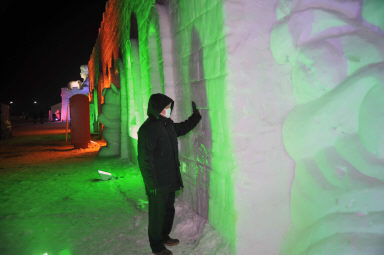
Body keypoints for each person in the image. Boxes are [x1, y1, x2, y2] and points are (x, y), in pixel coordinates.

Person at [137, 93, 201, 255]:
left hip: (170, 178)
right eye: (165, 108)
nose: (168, 110)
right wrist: (151, 184)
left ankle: (164, 236)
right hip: (157, 182)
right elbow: (144, 161)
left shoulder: (168, 125)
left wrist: (196, 116)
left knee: (168, 210)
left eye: (169, 107)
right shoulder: (147, 130)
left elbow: (182, 128)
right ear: (156, 108)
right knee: (157, 214)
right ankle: (156, 246)